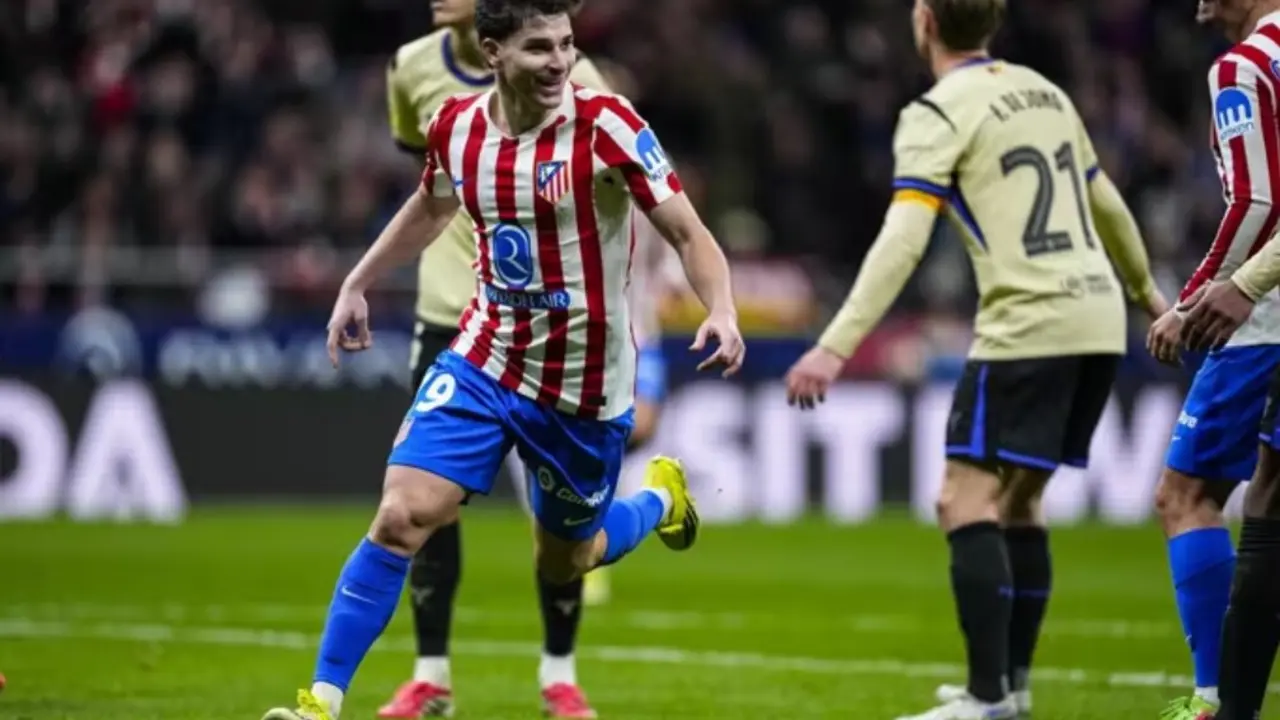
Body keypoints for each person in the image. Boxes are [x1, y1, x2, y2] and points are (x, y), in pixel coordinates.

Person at [261, 1, 744, 718]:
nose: (559, 62)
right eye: (539, 48)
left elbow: (687, 232)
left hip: (582, 392)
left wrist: (723, 307)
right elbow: (430, 206)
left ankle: (660, 499)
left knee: (569, 559)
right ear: (492, 52)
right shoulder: (456, 127)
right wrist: (358, 281)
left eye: (567, 44)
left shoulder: (609, 125)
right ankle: (320, 704)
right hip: (485, 361)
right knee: (400, 516)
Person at [783, 0, 1164, 718]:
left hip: (1028, 320)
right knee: (1020, 501)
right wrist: (1149, 296)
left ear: (923, 20)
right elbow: (1106, 202)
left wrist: (834, 346)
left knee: (961, 500)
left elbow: (903, 239)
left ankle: (985, 699)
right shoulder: (1045, 91)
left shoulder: (936, 112)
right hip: (1097, 316)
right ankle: (1013, 690)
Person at [379, 0, 626, 715]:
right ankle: (431, 674)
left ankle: (560, 672)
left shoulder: (574, 75)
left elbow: (628, 196)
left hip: (544, 325)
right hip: (446, 311)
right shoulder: (412, 68)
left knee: (557, 518)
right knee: (428, 506)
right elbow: (428, 188)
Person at [1144, 1, 1280, 715]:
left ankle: (1213, 697)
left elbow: (1257, 202)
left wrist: (1193, 299)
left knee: (1185, 494)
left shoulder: (1244, 66)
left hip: (1264, 315)